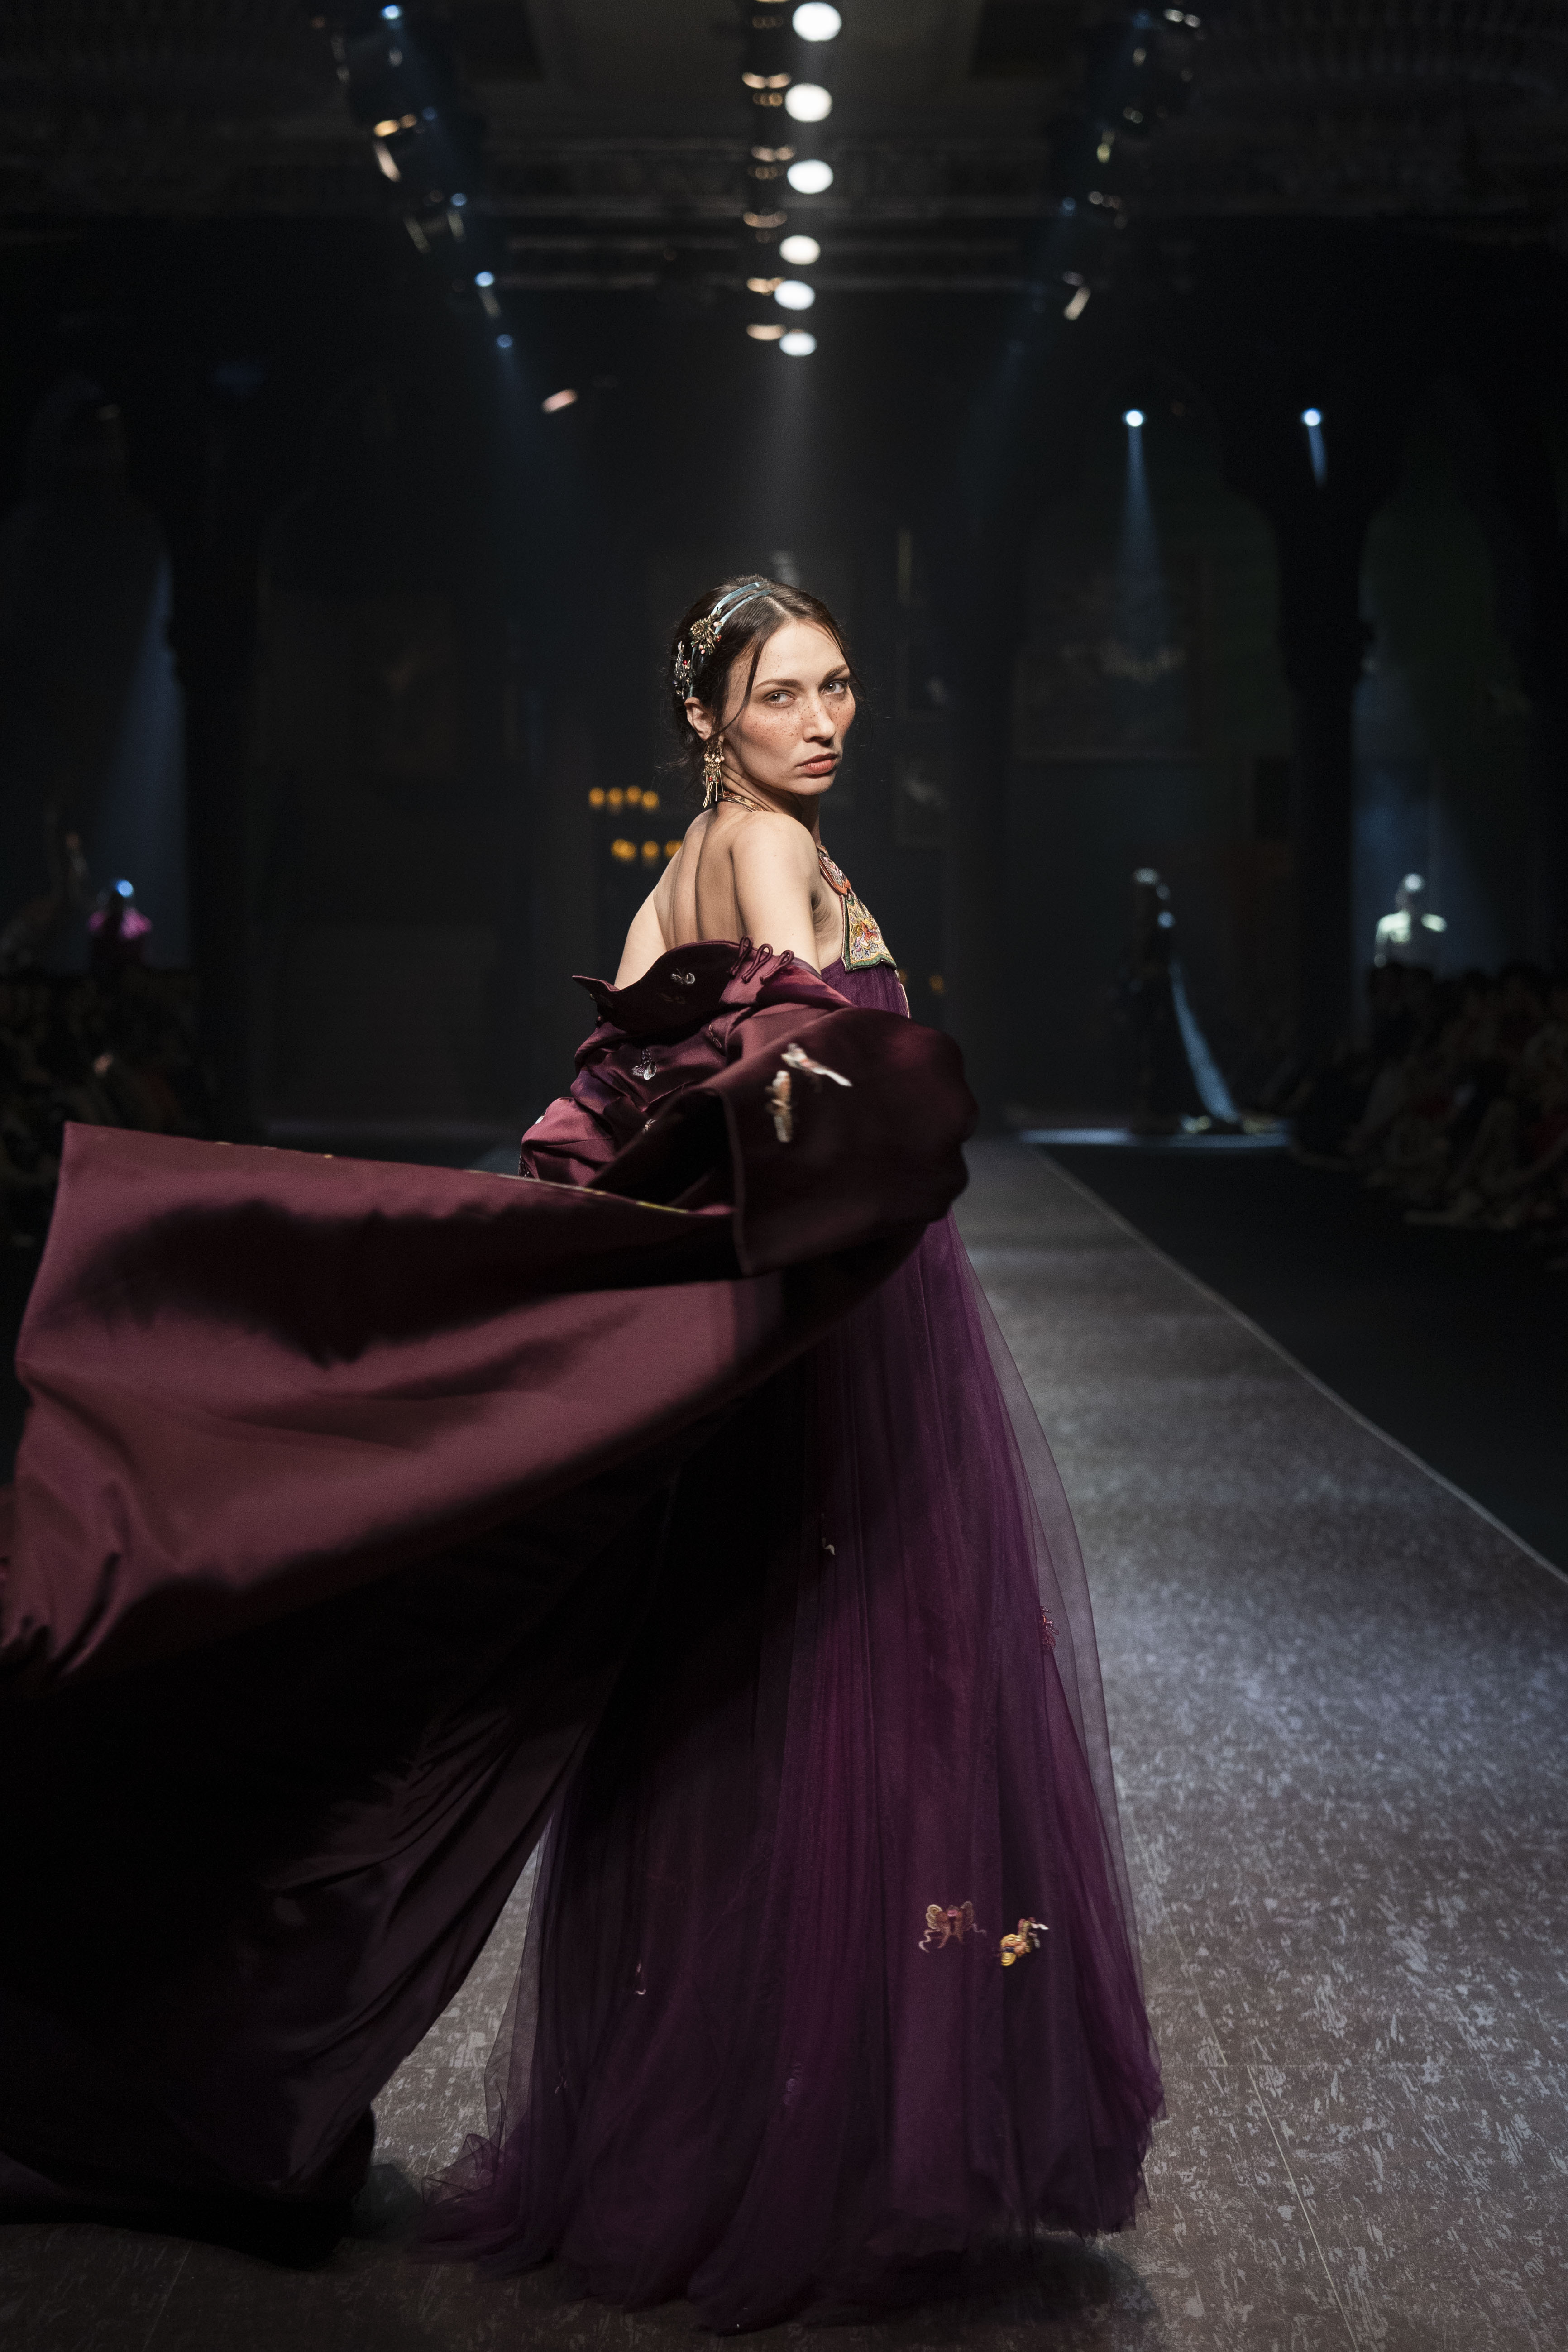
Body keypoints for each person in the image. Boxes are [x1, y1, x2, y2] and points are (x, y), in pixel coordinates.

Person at [0, 577, 1159, 2325]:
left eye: (841, 686)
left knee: (730, 1709)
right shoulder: (766, 851)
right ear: (709, 720)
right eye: (782, 695)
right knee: (860, 1695)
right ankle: (846, 2154)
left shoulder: (668, 880)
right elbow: (803, 1087)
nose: (824, 722)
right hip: (838, 1338)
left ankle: (722, 2134)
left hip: (779, 1332)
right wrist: (878, 1120)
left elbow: (615, 1112)